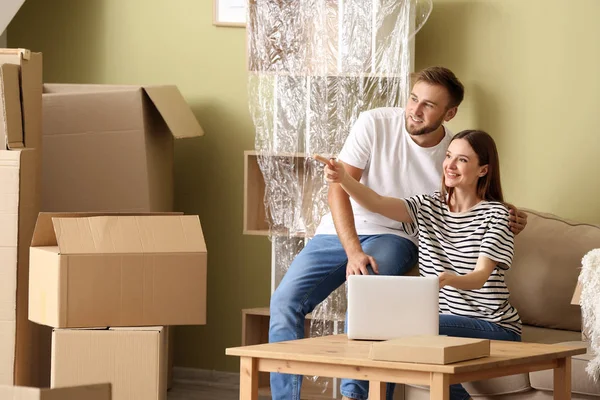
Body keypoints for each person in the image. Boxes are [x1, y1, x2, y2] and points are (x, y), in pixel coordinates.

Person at [268, 66, 528, 400]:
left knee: (372, 315)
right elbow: (366, 199)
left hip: (395, 238)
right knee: (284, 301)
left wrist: (514, 217)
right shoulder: (376, 126)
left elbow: (480, 205)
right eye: (413, 99)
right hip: (340, 231)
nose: (415, 111)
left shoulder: (456, 154)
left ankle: (356, 395)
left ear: (449, 113)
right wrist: (346, 206)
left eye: (428, 105)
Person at [318, 129, 521, 400]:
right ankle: (354, 396)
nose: (449, 165)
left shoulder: (496, 214)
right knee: (382, 328)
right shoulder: (427, 206)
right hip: (437, 325)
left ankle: (352, 398)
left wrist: (446, 280)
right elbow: (376, 203)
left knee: (397, 330)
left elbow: (480, 276)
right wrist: (344, 178)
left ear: (483, 170)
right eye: (448, 156)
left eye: (462, 160)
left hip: (492, 325)